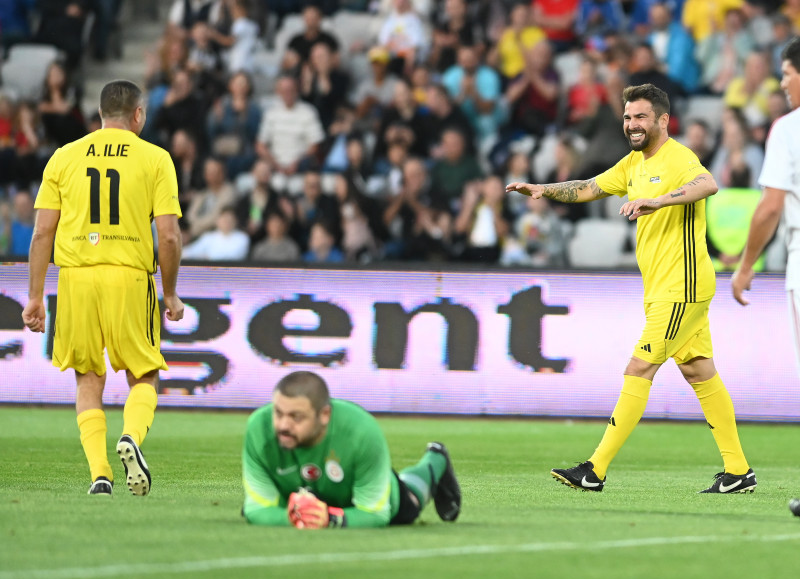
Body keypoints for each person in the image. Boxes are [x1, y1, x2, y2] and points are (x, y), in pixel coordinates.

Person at [506, 83, 755, 494]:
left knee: (639, 367)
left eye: (640, 116)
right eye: (626, 117)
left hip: (682, 286)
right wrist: (542, 190)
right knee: (699, 371)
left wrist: (659, 201)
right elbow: (588, 187)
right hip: (664, 288)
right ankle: (738, 470)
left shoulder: (679, 157)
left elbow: (707, 184)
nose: (631, 124)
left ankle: (595, 469)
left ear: (662, 120)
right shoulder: (633, 164)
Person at [21, 80, 184, 497]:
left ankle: (100, 475)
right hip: (128, 275)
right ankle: (131, 435)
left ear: (99, 114)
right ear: (138, 115)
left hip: (76, 278)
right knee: (143, 373)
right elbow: (168, 237)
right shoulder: (155, 158)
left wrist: (36, 296)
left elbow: (42, 233)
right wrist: (169, 293)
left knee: (87, 378)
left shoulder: (63, 156)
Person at [242, 370, 461, 528]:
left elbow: (375, 514)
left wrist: (330, 520)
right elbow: (255, 509)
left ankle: (435, 459)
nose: (283, 426)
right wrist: (293, 518)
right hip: (298, 495)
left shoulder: (362, 432)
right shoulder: (259, 429)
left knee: (410, 502)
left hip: (357, 497)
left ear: (325, 415)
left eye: (296, 417)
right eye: (278, 413)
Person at [732, 37, 800, 377]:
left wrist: (745, 266)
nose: (783, 82)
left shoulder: (789, 129)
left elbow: (771, 206)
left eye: (788, 73)